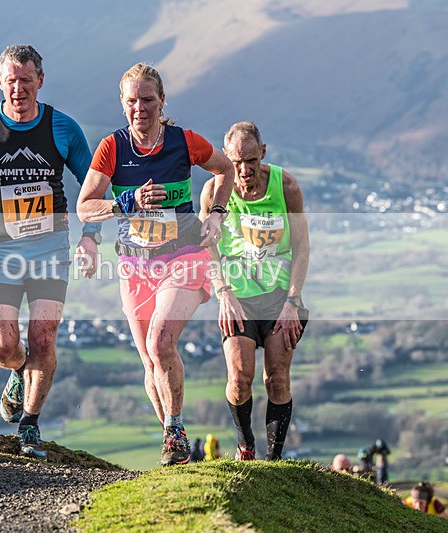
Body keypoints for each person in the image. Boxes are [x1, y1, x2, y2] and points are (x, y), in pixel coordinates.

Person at [0, 44, 101, 460]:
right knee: (2, 346)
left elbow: (92, 184)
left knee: (43, 338)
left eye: (26, 81)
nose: (18, 89)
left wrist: (90, 236)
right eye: (11, 81)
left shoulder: (63, 128)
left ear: (40, 81)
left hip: (50, 247)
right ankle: (18, 372)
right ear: (0, 82)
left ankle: (30, 425)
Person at [77, 63, 234, 466]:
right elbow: (85, 207)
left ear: (162, 101)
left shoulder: (184, 142)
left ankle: (175, 428)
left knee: (160, 342)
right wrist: (125, 202)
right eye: (132, 100)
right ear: (122, 104)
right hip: (135, 266)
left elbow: (225, 169)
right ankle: (174, 443)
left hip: (182, 257)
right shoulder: (112, 148)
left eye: (148, 99)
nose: (140, 108)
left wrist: (216, 212)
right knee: (149, 361)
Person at [200, 120, 310, 462]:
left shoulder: (286, 187)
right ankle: (245, 445)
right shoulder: (213, 191)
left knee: (277, 378)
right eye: (235, 163)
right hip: (238, 298)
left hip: (279, 299)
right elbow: (207, 246)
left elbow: (303, 247)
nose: (244, 170)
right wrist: (223, 293)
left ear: (263, 154)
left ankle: (274, 461)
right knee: (239, 378)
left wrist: (293, 301)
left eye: (250, 161)